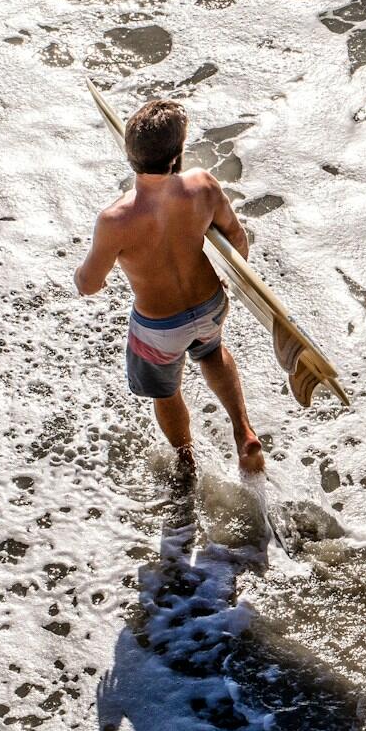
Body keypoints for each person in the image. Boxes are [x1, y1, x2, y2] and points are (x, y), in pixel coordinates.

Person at [74, 98, 265, 475]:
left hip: (160, 328)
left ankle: (185, 458)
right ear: (178, 155)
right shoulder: (203, 186)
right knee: (211, 353)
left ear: (129, 155)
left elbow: (90, 285)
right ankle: (243, 432)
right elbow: (237, 241)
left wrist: (85, 275)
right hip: (210, 304)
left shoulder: (116, 219)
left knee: (166, 391)